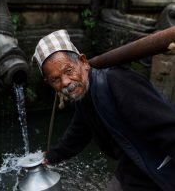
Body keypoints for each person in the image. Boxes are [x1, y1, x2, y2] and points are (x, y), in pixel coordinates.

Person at [32, 29, 175, 191]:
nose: (64, 82)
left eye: (68, 71)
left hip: (158, 169)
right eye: (55, 79)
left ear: (83, 61)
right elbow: (78, 134)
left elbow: (168, 128)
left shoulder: (118, 82)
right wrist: (50, 157)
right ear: (48, 83)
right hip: (131, 167)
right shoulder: (83, 96)